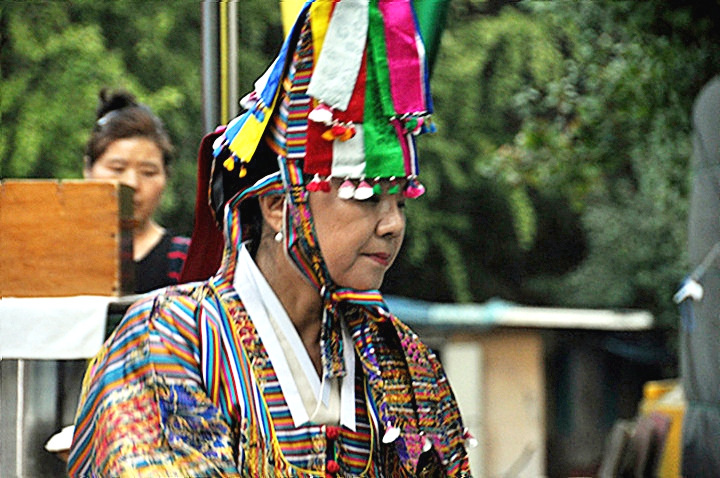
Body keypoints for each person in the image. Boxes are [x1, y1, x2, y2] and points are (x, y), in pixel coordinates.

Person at [68, 2, 473, 476]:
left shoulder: (403, 363)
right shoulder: (169, 337)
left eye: (400, 201)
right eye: (364, 197)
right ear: (279, 205)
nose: (392, 225)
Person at [83, 88, 190, 294]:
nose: (131, 184)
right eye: (117, 169)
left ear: (166, 177)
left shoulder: (185, 260)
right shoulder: (59, 257)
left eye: (148, 172)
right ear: (88, 169)